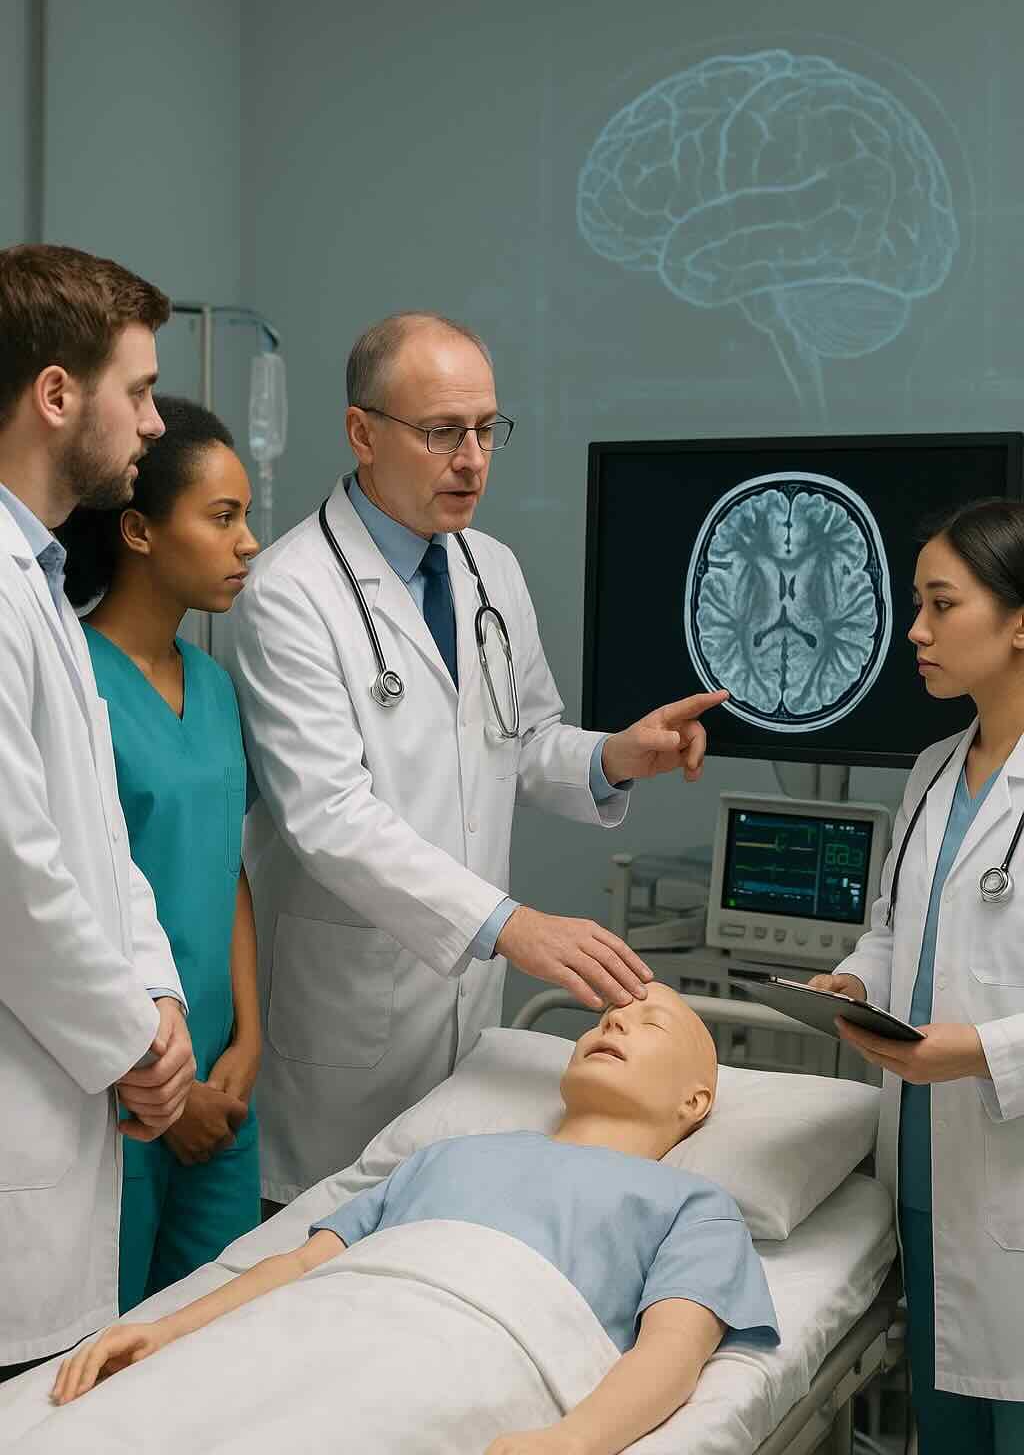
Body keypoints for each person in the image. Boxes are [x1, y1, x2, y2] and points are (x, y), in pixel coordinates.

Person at [226, 311, 727, 1203]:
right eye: (442, 432)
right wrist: (509, 925)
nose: (472, 460)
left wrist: (614, 757)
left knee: (443, 1225)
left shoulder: (489, 568)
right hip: (345, 1025)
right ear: (362, 433)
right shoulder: (289, 594)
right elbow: (328, 817)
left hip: (461, 1021)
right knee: (321, 1241)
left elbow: (519, 741)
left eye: (486, 430)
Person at [51, 982, 779, 1455]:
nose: (616, 1017)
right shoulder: (448, 1154)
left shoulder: (695, 1207)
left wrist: (572, 1441)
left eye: (651, 1023)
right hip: (320, 1322)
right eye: (607, 1015)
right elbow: (302, 1266)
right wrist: (168, 1330)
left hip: (466, 1353)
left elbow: (671, 1352)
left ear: (695, 1102)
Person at [0, 244, 195, 1381]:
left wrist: (159, 999)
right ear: (56, 394)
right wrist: (132, 1042)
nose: (155, 422)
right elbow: (14, 872)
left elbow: (102, 845)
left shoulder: (39, 581)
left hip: (65, 1111)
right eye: (140, 390)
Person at [808, 498, 1024, 1452]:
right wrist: (856, 982)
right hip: (929, 1178)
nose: (916, 632)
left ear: (1019, 623)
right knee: (948, 1428)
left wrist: (980, 1051)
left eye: (942, 604)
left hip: (1010, 1167)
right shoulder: (935, 768)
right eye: (917, 604)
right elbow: (897, 932)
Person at [57, 396, 262, 1313]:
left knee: (213, 1336)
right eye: (222, 517)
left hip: (224, 1081)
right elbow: (61, 910)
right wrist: (163, 1089)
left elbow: (228, 871)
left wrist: (248, 1043)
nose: (248, 542)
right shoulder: (75, 684)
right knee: (105, 1345)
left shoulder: (213, 687)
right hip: (126, 1090)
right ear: (138, 530)